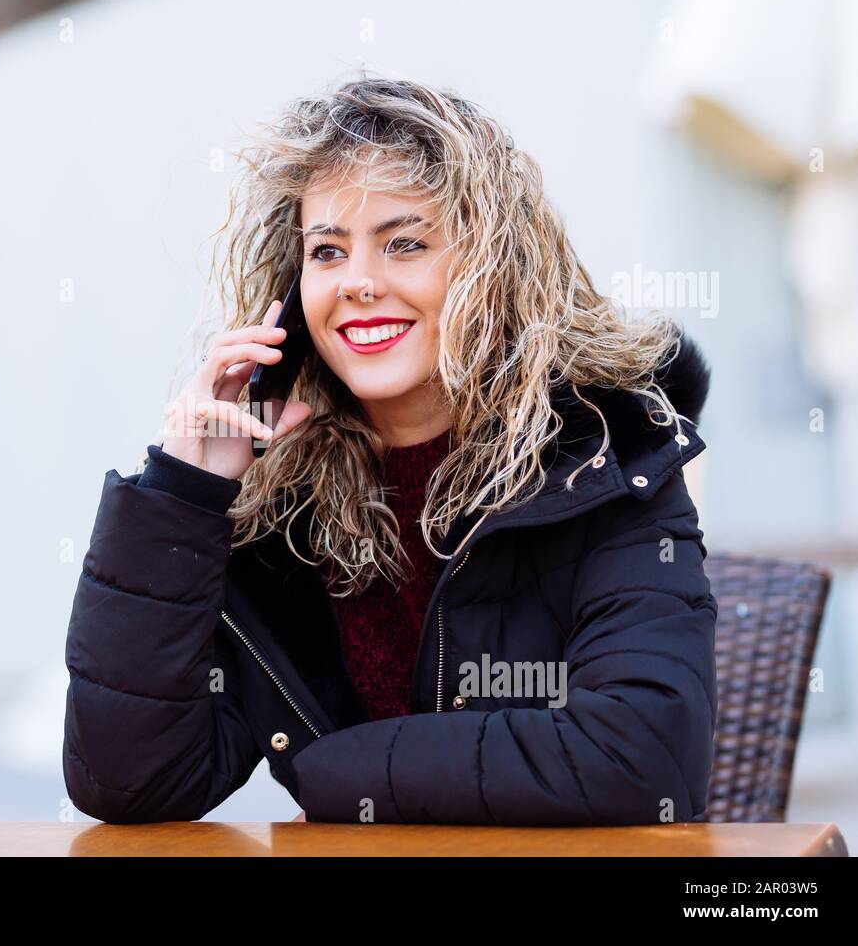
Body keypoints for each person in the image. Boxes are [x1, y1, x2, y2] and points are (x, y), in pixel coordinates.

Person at [62, 75, 718, 825]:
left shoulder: (603, 461)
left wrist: (339, 775)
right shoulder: (279, 506)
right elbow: (131, 783)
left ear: (492, 266)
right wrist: (180, 499)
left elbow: (644, 757)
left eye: (404, 243)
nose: (360, 284)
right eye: (328, 251)